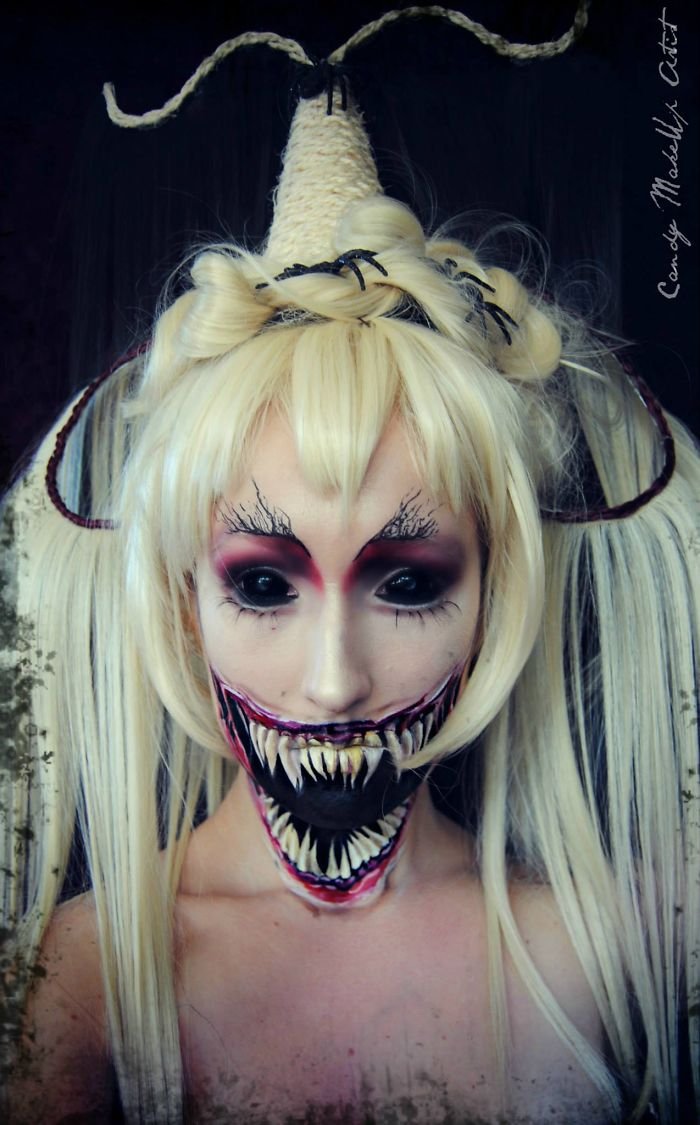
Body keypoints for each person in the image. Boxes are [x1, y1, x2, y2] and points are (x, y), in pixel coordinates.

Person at [1, 36, 698, 1125]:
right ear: (184, 603)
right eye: (263, 586)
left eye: (407, 584)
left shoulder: (613, 960)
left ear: (493, 598)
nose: (332, 683)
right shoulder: (71, 990)